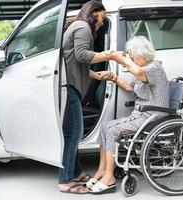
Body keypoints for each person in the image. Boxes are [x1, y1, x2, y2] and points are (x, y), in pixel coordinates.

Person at [86, 36, 170, 194]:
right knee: (105, 126)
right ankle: (102, 170)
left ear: (142, 55)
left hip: (152, 116)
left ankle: (109, 178)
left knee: (112, 131)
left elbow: (137, 72)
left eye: (133, 56)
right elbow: (129, 86)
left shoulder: (154, 68)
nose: (131, 59)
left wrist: (123, 59)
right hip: (141, 115)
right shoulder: (143, 69)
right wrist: (113, 76)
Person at [59, 0, 123, 194]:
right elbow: (81, 55)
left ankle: (75, 171)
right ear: (93, 13)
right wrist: (110, 55)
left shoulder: (77, 26)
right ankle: (65, 180)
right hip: (70, 88)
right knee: (74, 134)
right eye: (102, 17)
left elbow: (79, 65)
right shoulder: (83, 26)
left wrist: (98, 75)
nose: (102, 22)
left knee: (73, 133)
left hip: (71, 86)